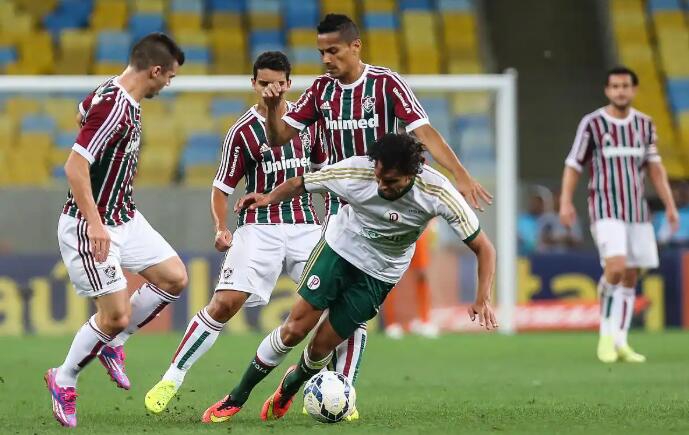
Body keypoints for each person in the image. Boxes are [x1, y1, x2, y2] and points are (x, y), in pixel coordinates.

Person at [258, 13, 492, 407]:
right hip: (340, 206)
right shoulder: (320, 90)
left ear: (355, 46)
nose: (326, 59)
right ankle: (325, 388)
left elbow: (424, 132)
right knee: (322, 313)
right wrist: (272, 107)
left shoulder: (386, 84)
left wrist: (461, 174)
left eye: (333, 50)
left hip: (390, 205)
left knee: (355, 308)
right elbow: (280, 137)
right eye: (321, 52)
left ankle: (341, 391)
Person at [199, 133, 497, 424]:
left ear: (412, 174)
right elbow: (300, 183)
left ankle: (290, 385)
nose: (381, 186)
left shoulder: (438, 192)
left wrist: (482, 296)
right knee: (294, 328)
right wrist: (268, 198)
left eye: (390, 181)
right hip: (339, 249)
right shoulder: (357, 170)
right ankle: (237, 396)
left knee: (321, 347)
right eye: (379, 177)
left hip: (379, 273)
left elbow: (484, 248)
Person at [144, 52, 328, 414]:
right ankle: (172, 377)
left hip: (306, 225)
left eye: (278, 83)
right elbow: (221, 188)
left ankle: (325, 385)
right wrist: (221, 227)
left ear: (289, 84)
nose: (271, 89)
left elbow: (324, 174)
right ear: (253, 84)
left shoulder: (309, 124)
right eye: (264, 83)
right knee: (225, 303)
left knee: (334, 309)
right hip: (259, 227)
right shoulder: (242, 131)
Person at [45, 33, 187, 427]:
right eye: (169, 76)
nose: (168, 84)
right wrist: (95, 223)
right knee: (115, 316)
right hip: (90, 224)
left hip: (125, 215)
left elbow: (82, 111)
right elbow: (74, 166)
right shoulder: (114, 108)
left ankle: (112, 345)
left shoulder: (113, 91)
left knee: (174, 278)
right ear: (154, 71)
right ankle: (63, 378)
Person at [559, 66, 678, 364]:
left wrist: (670, 205)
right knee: (615, 267)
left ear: (634, 90)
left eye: (625, 86)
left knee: (630, 275)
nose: (620, 91)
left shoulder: (644, 125)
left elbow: (655, 168)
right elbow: (574, 164)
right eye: (615, 86)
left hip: (637, 211)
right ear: (607, 90)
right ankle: (605, 334)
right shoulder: (593, 123)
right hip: (605, 208)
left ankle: (621, 341)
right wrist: (565, 201)